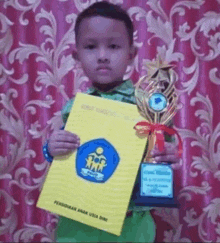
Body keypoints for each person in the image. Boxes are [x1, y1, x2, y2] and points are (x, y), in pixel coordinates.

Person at [42, 1, 180, 242]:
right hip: (77, 222)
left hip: (131, 224)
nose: (103, 56)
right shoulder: (74, 109)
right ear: (77, 56)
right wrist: (51, 148)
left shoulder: (148, 107)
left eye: (114, 46)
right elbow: (66, 157)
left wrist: (167, 154)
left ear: (131, 54)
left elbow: (163, 153)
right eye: (91, 47)